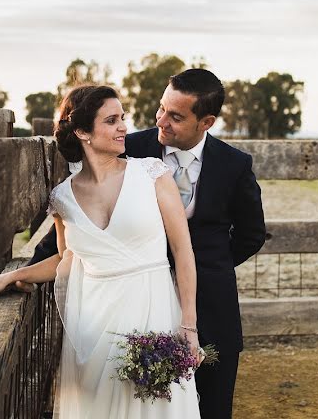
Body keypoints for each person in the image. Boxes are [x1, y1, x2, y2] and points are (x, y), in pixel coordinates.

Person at [27, 68, 266, 419]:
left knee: (212, 407)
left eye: (176, 116)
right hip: (130, 309)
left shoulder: (234, 165)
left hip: (209, 305)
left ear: (206, 122)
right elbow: (77, 228)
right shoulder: (129, 147)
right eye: (161, 109)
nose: (161, 121)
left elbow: (251, 234)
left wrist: (207, 267)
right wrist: (20, 273)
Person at [0, 84, 202, 418]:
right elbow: (66, 259)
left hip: (155, 312)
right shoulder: (62, 198)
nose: (124, 126)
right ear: (82, 131)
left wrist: (189, 326)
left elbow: (183, 251)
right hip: (95, 325)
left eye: (123, 117)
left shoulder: (153, 174)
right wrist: (12, 277)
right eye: (111, 120)